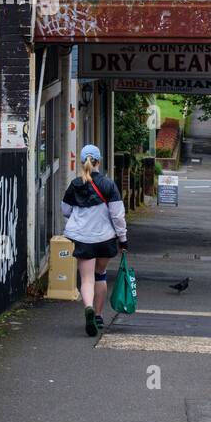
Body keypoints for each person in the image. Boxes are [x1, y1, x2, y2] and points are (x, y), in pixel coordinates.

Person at [61, 144, 128, 336]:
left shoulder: (75, 184)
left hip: (84, 238)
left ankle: (88, 307)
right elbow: (117, 216)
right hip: (105, 238)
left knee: (87, 278)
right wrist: (123, 240)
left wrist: (79, 213)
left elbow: (65, 210)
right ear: (99, 161)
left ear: (82, 162)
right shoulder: (108, 185)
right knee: (101, 274)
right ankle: (98, 316)